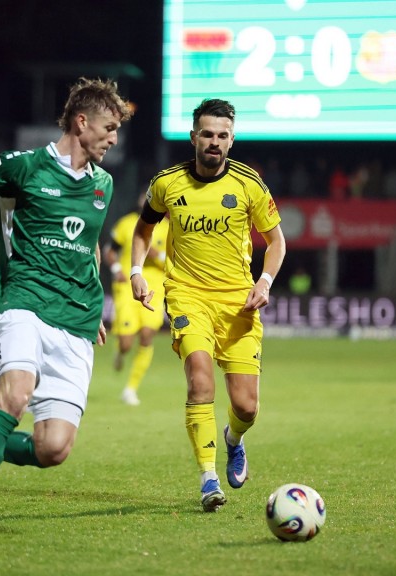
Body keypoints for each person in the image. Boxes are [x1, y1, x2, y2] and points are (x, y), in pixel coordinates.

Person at [0, 77, 132, 543]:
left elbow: (89, 246)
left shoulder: (104, 183)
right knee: (15, 395)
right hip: (22, 301)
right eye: (108, 127)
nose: (113, 138)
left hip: (76, 320)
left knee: (53, 448)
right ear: (81, 122)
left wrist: (95, 305)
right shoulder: (24, 166)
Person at [130, 98, 286, 512]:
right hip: (187, 296)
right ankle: (208, 478)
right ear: (193, 137)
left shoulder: (249, 185)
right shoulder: (166, 184)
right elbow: (144, 230)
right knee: (199, 380)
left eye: (222, 135)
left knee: (246, 407)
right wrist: (136, 271)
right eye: (207, 134)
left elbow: (276, 242)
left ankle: (234, 440)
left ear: (231, 141)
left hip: (239, 304)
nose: (214, 142)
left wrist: (265, 281)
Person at [103, 194, 169, 406]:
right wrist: (115, 269)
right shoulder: (127, 224)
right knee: (126, 342)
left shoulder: (169, 228)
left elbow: (175, 260)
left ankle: (130, 389)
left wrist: (157, 256)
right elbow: (109, 251)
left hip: (155, 289)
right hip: (127, 288)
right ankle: (120, 352)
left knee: (148, 334)